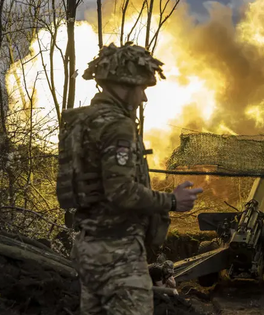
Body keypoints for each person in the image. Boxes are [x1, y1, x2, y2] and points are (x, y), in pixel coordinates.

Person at [61, 42, 204, 314]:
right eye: (142, 88)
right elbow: (121, 191)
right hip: (118, 251)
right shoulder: (117, 126)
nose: (144, 98)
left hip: (89, 246)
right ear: (124, 85)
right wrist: (172, 200)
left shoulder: (85, 121)